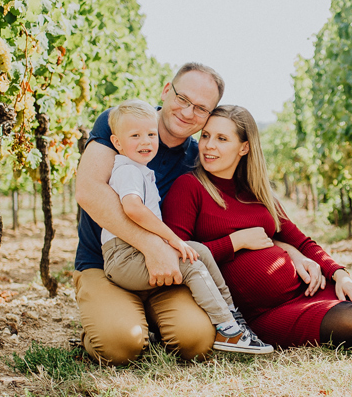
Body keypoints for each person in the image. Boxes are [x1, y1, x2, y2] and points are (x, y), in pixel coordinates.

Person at [74, 63, 324, 364]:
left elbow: (238, 215)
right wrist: (153, 246)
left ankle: (183, 322)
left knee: (196, 341)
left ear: (210, 115)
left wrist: (286, 248)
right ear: (167, 91)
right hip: (106, 263)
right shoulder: (123, 122)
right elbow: (89, 191)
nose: (188, 112)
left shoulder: (199, 157)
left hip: (168, 267)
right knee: (119, 345)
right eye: (182, 99)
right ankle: (111, 321)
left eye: (201, 108)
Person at [162, 105, 352, 348]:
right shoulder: (189, 187)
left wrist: (341, 276)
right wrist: (235, 242)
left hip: (308, 288)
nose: (208, 145)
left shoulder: (257, 192)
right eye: (205, 136)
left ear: (244, 147)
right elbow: (180, 257)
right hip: (265, 311)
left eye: (222, 138)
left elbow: (302, 241)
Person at [99, 99, 272, 355]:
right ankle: (227, 328)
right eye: (135, 135)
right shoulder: (127, 171)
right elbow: (133, 208)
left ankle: (233, 319)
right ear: (117, 143)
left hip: (135, 252)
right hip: (123, 257)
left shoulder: (141, 170)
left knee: (199, 251)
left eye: (150, 134)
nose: (145, 141)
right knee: (190, 263)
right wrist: (173, 240)